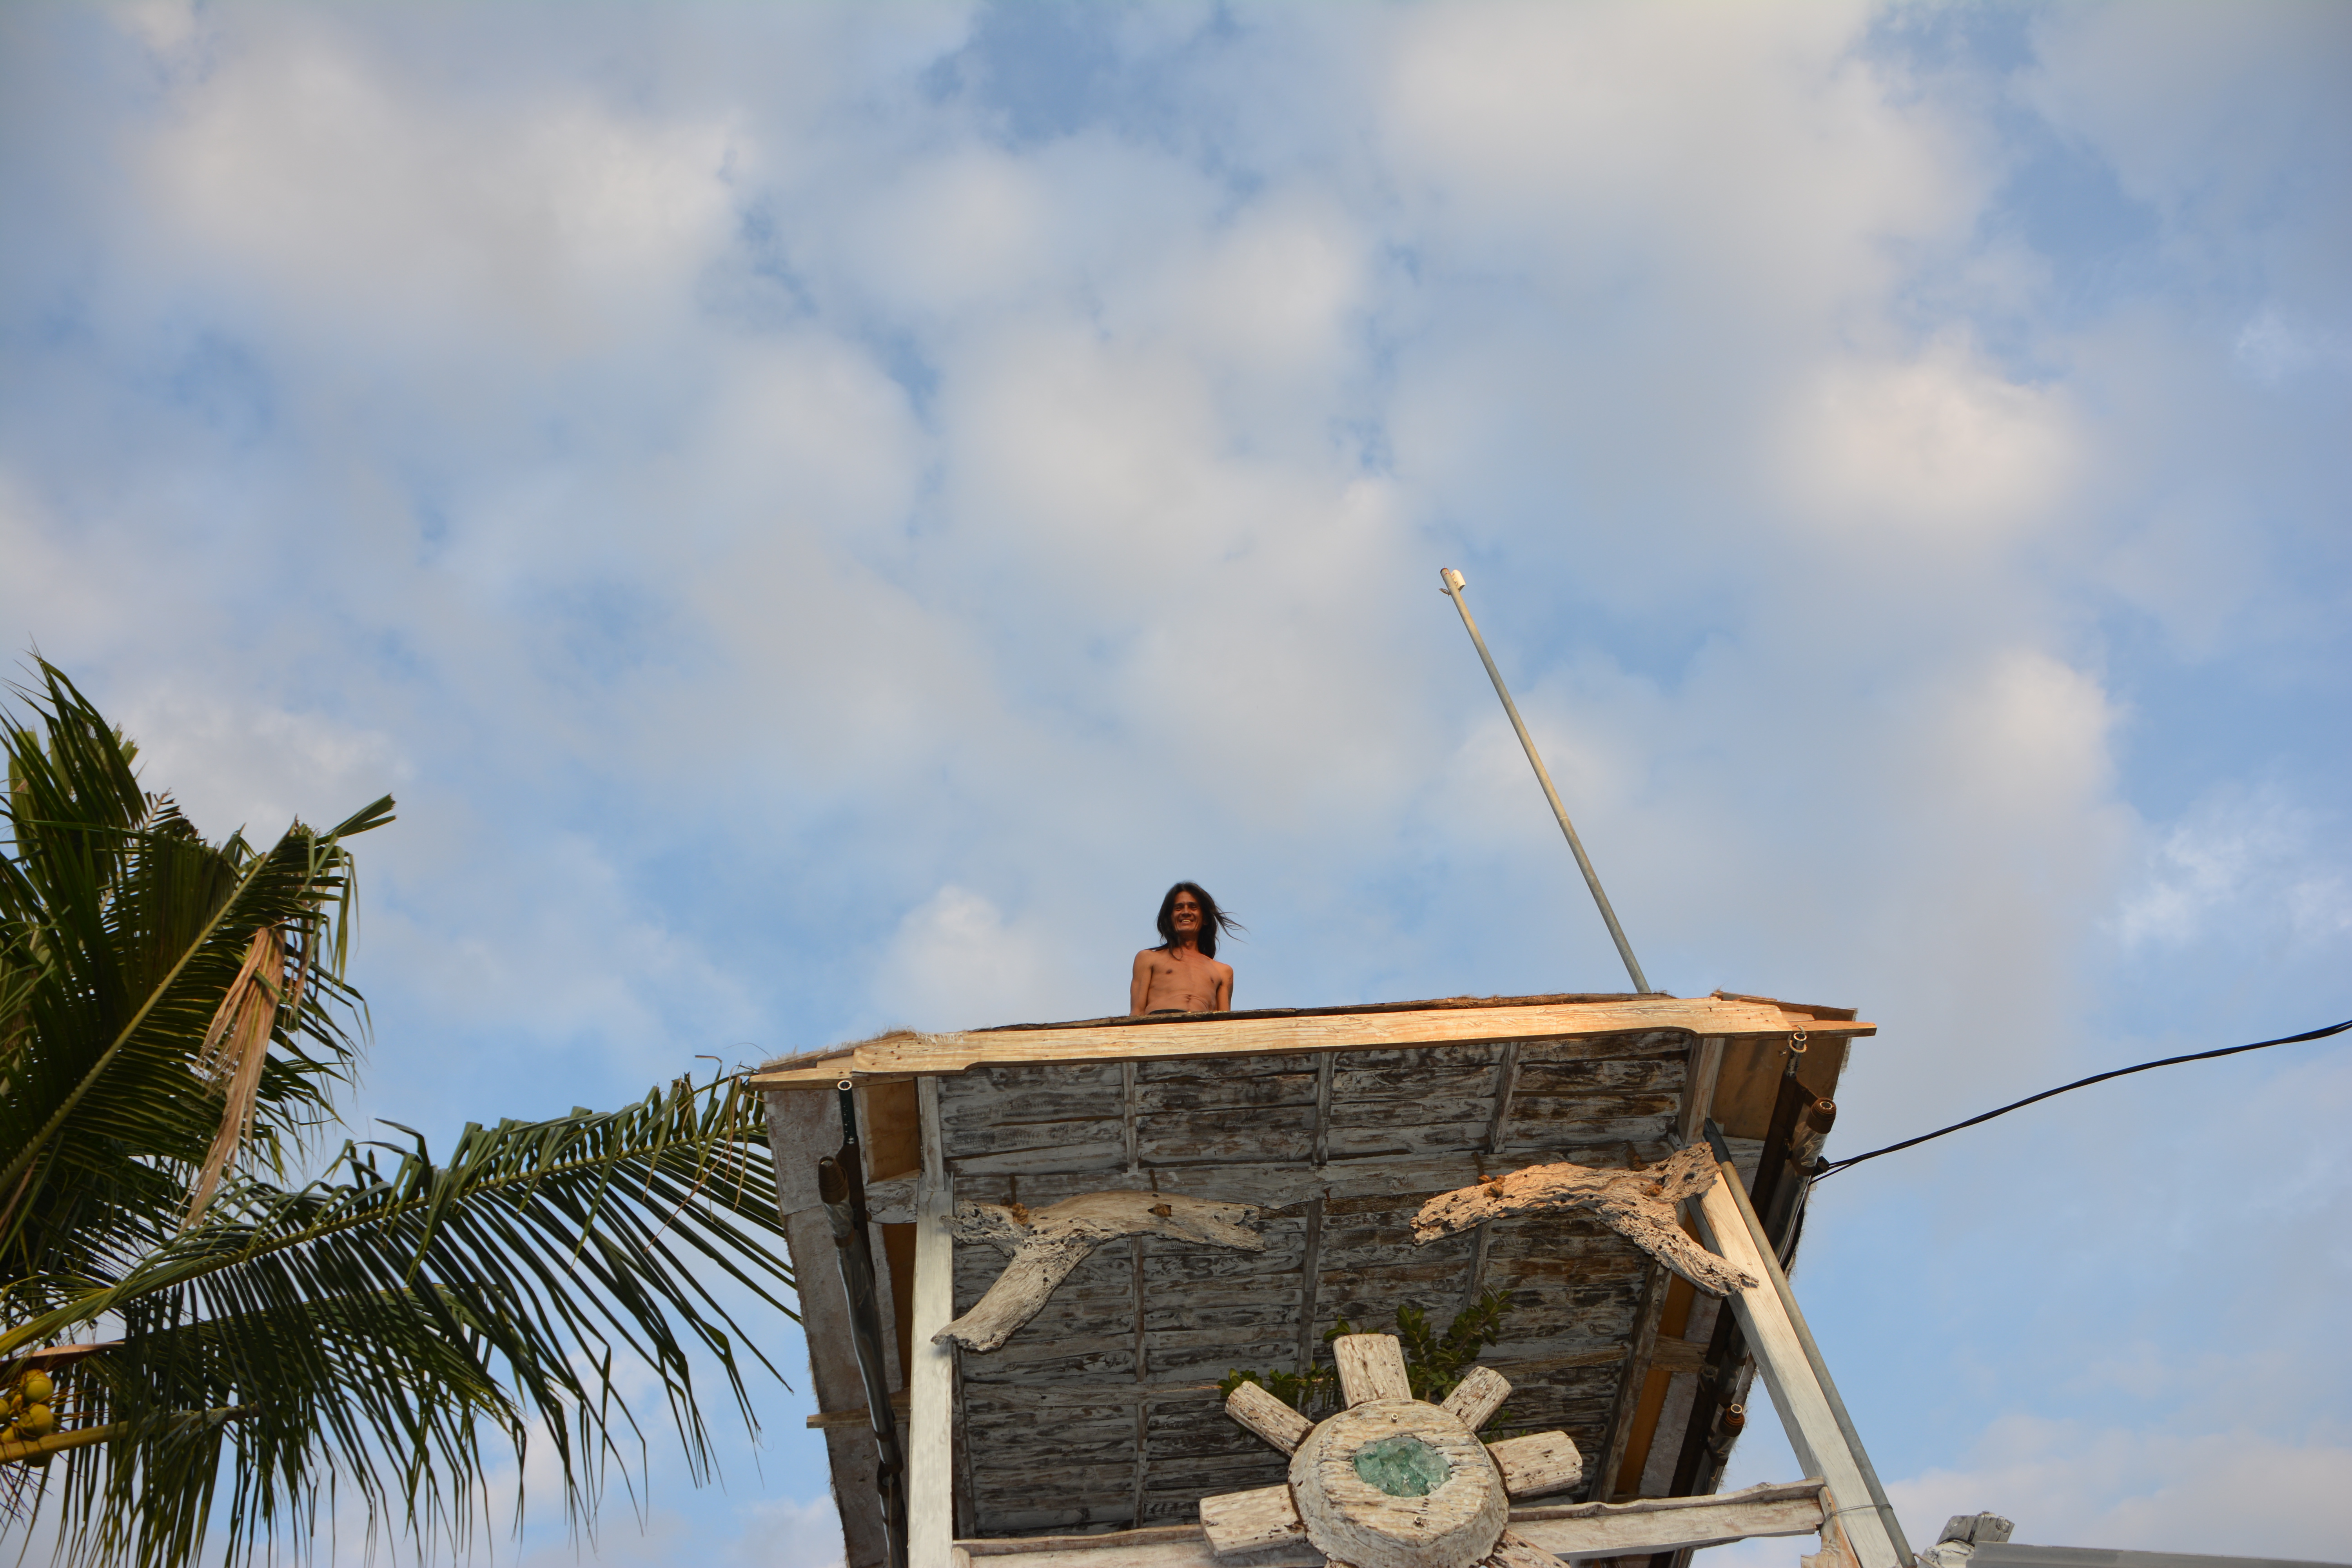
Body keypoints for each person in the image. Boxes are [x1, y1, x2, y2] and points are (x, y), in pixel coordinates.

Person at [1129, 882, 1240, 1016]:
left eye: (1193, 907)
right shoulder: (1148, 958)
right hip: (1159, 1023)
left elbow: (1224, 1020)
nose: (1186, 912)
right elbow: (1137, 1012)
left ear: (1205, 918)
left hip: (1202, 1026)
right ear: (1170, 918)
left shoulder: (1223, 971)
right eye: (1178, 908)